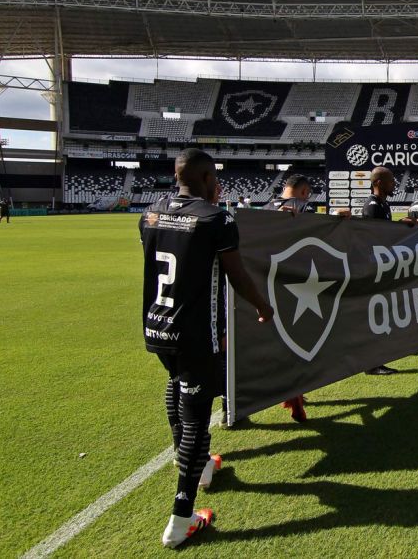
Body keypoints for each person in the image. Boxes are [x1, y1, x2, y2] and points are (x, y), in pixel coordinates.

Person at [140, 149, 273, 548]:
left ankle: (194, 464)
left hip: (157, 324)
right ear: (206, 178)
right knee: (197, 418)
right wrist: (263, 306)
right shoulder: (217, 218)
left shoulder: (150, 213)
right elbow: (236, 274)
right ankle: (182, 518)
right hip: (196, 332)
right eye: (214, 177)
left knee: (176, 384)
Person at [263, 174, 317, 421]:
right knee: (298, 342)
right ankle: (294, 399)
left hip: (267, 283)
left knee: (279, 341)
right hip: (300, 286)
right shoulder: (304, 208)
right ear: (304, 191)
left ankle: (291, 394)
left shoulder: (264, 209)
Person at [361, 166, 415, 374]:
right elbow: (375, 238)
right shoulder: (372, 206)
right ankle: (371, 364)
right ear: (378, 183)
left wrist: (400, 225)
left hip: (384, 266)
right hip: (374, 268)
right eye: (390, 181)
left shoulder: (383, 204)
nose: (394, 184)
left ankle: (377, 360)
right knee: (374, 317)